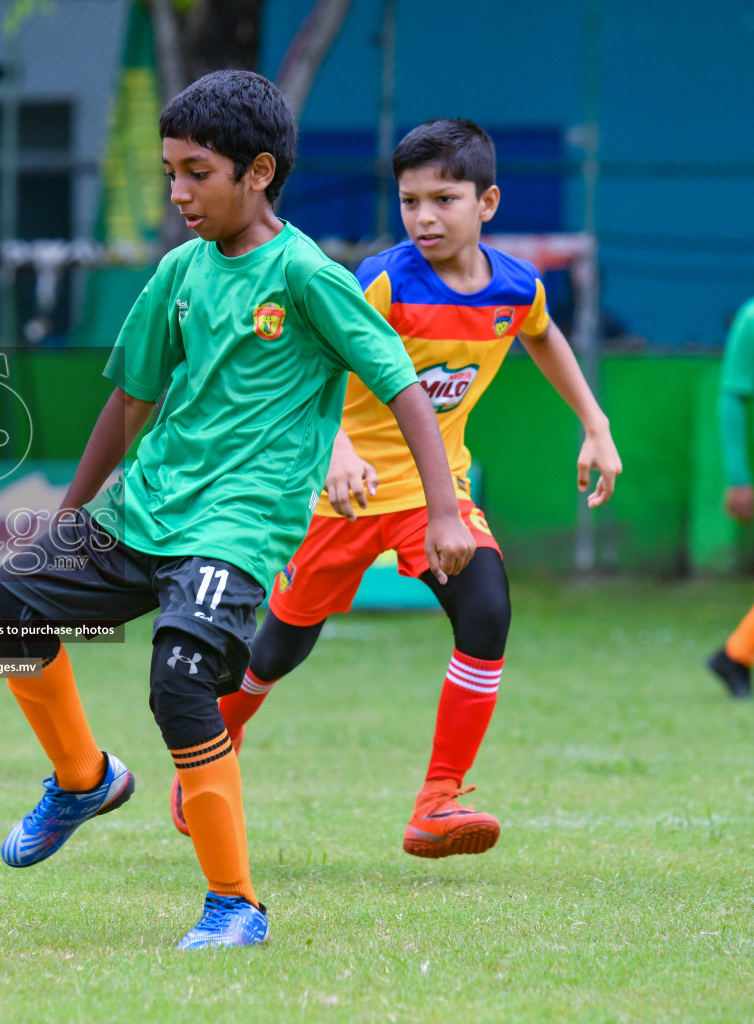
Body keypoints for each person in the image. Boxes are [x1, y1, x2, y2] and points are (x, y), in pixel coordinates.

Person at [0, 71, 474, 950]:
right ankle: (82, 777)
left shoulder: (308, 275)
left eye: (195, 172)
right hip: (145, 509)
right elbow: (131, 400)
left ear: (257, 172)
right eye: (170, 171)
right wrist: (70, 511)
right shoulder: (179, 270)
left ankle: (235, 904)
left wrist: (444, 512)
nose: (177, 193)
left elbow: (400, 383)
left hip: (238, 528)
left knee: (179, 679)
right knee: (11, 599)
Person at [168, 118, 622, 859]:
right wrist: (337, 448)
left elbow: (539, 331)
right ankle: (218, 739)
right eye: (410, 201)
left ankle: (438, 802)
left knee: (486, 609)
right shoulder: (382, 279)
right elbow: (312, 362)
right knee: (276, 651)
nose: (425, 217)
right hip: (336, 495)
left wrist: (594, 423)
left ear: (489, 202)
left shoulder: (514, 286)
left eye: (444, 199)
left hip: (432, 496)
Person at [707, 295, 754, 698]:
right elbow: (732, 398)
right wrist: (738, 478)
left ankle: (735, 654)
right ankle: (734, 655)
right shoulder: (752, 319)